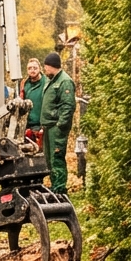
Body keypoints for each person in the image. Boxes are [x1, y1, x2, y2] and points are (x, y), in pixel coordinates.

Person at [39, 51, 76, 194]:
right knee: (49, 159)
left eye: (45, 66)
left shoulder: (64, 81)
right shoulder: (52, 80)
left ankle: (60, 188)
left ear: (51, 65)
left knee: (57, 158)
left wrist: (60, 125)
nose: (45, 69)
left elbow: (68, 106)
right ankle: (55, 186)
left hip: (56, 127)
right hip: (49, 126)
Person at [21, 57, 47, 139]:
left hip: (41, 125)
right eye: (30, 68)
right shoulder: (24, 84)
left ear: (40, 68)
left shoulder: (46, 82)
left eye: (35, 68)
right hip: (27, 125)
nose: (32, 70)